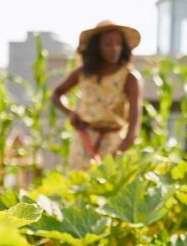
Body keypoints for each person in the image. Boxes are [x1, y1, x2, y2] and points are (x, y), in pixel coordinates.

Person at [53, 20, 142, 169]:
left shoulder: (129, 78)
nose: (114, 49)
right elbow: (56, 95)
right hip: (83, 142)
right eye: (108, 44)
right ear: (97, 47)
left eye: (118, 43)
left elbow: (133, 130)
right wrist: (70, 113)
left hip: (114, 144)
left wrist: (116, 155)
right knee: (76, 188)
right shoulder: (82, 74)